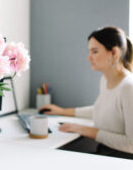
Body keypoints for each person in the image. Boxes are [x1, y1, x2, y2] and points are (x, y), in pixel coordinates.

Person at [39, 26, 133, 159]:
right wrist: (61, 111)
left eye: (94, 51)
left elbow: (131, 145)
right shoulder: (105, 80)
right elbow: (102, 109)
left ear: (114, 53)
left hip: (121, 160)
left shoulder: (128, 88)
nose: (89, 58)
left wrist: (86, 130)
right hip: (106, 153)